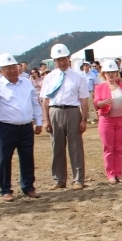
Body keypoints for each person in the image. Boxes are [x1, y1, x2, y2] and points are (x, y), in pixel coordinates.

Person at [0, 53, 43, 202]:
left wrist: (38, 121)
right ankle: (5, 189)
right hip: (6, 128)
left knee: (27, 157)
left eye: (13, 67)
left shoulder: (26, 83)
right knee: (5, 159)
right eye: (7, 68)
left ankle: (28, 186)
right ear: (1, 71)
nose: (12, 71)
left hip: (26, 127)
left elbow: (35, 103)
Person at [40, 43, 89, 190]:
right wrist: (46, 119)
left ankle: (78, 179)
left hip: (72, 111)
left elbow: (84, 100)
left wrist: (83, 119)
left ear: (69, 58)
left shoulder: (78, 77)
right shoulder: (49, 77)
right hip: (54, 111)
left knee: (75, 147)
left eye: (63, 59)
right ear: (54, 61)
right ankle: (59, 179)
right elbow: (45, 100)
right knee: (57, 146)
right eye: (58, 60)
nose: (61, 62)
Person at [94, 59, 122, 184]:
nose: (110, 74)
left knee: (119, 148)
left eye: (112, 72)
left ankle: (119, 173)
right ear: (104, 74)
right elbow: (96, 103)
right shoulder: (100, 87)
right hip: (107, 121)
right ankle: (111, 174)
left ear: (117, 73)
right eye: (108, 72)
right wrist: (102, 103)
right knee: (108, 148)